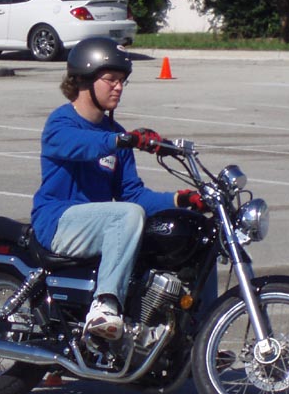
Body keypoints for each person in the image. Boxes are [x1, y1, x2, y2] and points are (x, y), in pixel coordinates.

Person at [31, 37, 205, 345]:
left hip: (99, 224)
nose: (118, 87)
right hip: (57, 221)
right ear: (84, 79)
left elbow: (133, 195)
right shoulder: (61, 122)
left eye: (123, 81)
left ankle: (200, 332)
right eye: (111, 79)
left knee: (199, 233)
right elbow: (80, 146)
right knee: (127, 216)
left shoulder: (115, 133)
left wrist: (182, 199)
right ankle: (104, 306)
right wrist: (123, 141)